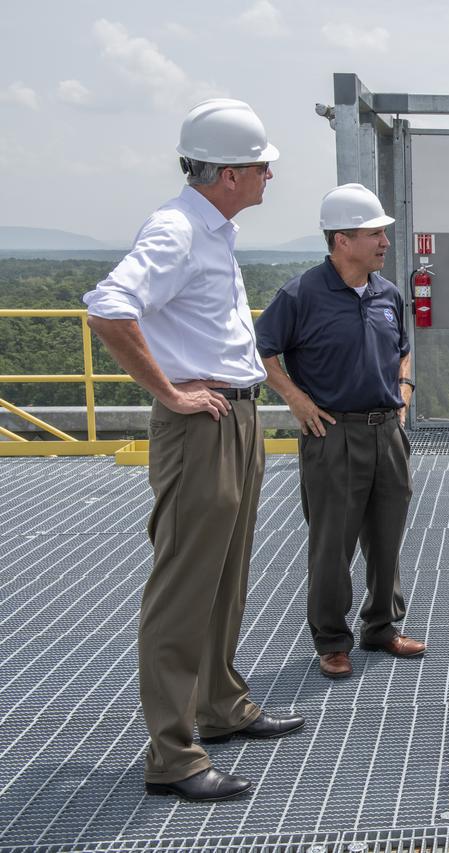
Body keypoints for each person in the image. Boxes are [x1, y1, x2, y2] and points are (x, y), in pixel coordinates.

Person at [83, 99, 303, 803]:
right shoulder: (178, 230)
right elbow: (110, 307)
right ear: (231, 173)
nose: (270, 173)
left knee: (226, 574)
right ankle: (173, 753)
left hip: (235, 417)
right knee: (184, 587)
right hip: (200, 424)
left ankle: (219, 703)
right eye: (262, 164)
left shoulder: (215, 229)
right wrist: (171, 393)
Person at [255, 183, 423, 680]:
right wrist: (295, 398)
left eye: (383, 234)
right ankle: (331, 639)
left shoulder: (386, 293)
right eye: (375, 234)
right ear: (342, 240)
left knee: (387, 536)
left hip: (386, 431)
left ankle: (381, 626)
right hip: (333, 434)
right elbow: (261, 351)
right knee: (333, 542)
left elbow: (403, 347)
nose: (385, 243)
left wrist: (405, 387)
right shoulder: (301, 294)